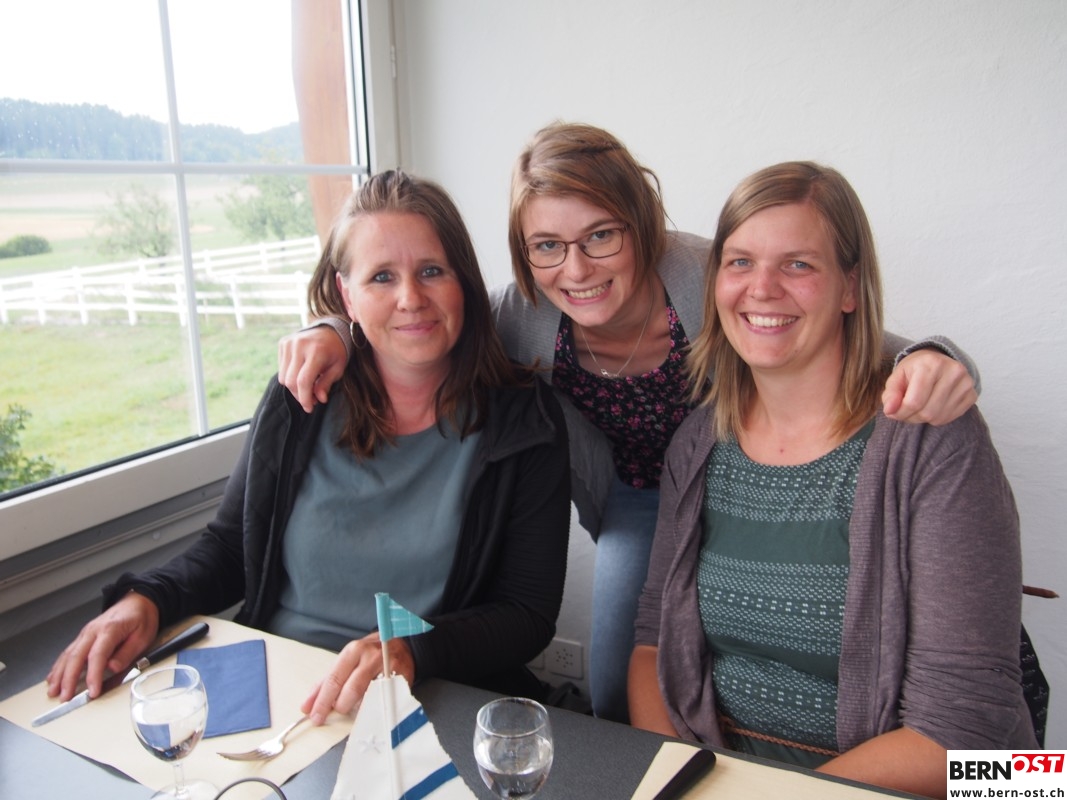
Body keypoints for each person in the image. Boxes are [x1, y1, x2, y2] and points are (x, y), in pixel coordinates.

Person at [276, 123, 980, 723]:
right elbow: (423, 318)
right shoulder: (522, 315)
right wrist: (332, 329)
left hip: (746, 477)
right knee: (618, 689)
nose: (575, 268)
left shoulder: (711, 277)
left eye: (601, 235)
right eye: (546, 246)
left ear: (640, 222)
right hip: (637, 501)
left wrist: (938, 356)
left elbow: (850, 336)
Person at [46, 170, 571, 725]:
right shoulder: (301, 397)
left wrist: (415, 650)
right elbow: (232, 547)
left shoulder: (524, 419)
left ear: (463, 279)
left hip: (425, 699)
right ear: (347, 295)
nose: (410, 298)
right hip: (278, 691)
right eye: (381, 277)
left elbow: (526, 614)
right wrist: (147, 599)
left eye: (432, 271)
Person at [628, 161, 1034, 798]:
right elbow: (654, 646)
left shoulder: (931, 435)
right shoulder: (699, 440)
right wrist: (678, 780)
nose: (762, 288)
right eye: (740, 262)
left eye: (798, 264)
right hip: (720, 778)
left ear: (850, 287)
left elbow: (967, 733)